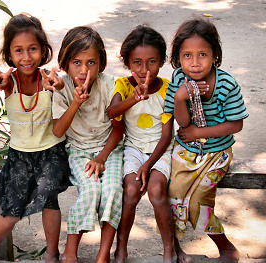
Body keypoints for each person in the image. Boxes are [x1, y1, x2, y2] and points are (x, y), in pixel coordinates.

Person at [0, 13, 71, 263]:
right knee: (12, 210)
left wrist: (56, 85)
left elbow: (58, 85)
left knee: (49, 196)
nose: (27, 57)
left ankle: (51, 253)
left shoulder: (48, 78)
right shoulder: (9, 81)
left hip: (51, 151)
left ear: (43, 50)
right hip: (19, 155)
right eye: (19, 51)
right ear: (10, 55)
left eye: (33, 49)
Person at [164, 18, 249, 263]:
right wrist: (181, 98)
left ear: (215, 55)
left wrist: (198, 133)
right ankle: (176, 248)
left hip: (217, 153)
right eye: (187, 55)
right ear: (178, 58)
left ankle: (226, 247)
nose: (195, 62)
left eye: (202, 54)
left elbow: (236, 124)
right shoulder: (179, 78)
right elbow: (182, 123)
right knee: (173, 196)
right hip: (187, 151)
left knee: (197, 204)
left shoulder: (225, 83)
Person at [52, 26, 124, 263]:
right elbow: (58, 130)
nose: (84, 71)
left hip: (109, 149)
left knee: (112, 190)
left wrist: (102, 157)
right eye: (77, 62)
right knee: (92, 189)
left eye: (91, 63)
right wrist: (75, 102)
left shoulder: (109, 84)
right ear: (65, 63)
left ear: (101, 64)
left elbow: (118, 128)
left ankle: (103, 255)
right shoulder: (61, 88)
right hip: (78, 150)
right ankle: (70, 251)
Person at [106, 25, 176, 263]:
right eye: (137, 62)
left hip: (161, 150)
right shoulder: (124, 86)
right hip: (134, 149)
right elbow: (111, 112)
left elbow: (167, 136)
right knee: (131, 191)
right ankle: (121, 248)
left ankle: (169, 250)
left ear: (162, 61)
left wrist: (148, 166)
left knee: (157, 190)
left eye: (152, 62)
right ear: (127, 63)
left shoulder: (167, 89)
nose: (145, 70)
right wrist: (133, 99)